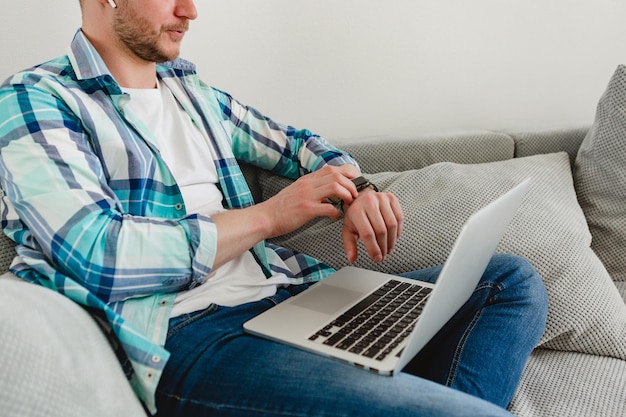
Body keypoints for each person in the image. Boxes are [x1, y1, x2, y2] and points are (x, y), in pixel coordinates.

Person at [0, 0, 548, 416]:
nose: (191, 11)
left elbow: (302, 147)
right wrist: (271, 216)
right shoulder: (36, 99)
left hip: (284, 297)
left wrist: (361, 190)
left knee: (510, 281)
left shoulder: (192, 94)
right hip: (187, 334)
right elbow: (100, 253)